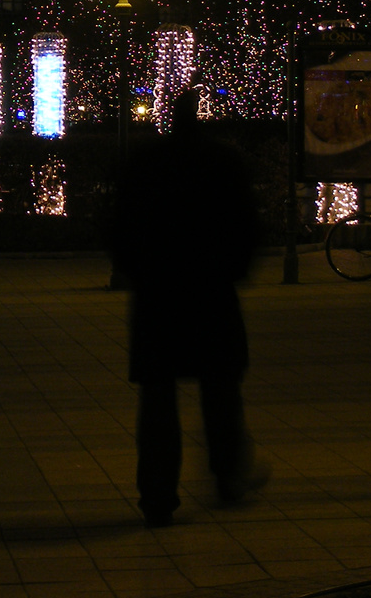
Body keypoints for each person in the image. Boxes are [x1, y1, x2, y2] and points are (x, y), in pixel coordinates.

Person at [109, 83, 266, 528]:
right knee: (220, 391)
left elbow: (120, 223)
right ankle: (227, 475)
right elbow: (246, 223)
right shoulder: (222, 161)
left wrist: (137, 270)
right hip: (211, 291)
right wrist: (234, 269)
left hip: (159, 295)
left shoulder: (145, 162)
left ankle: (157, 496)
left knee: (157, 399)